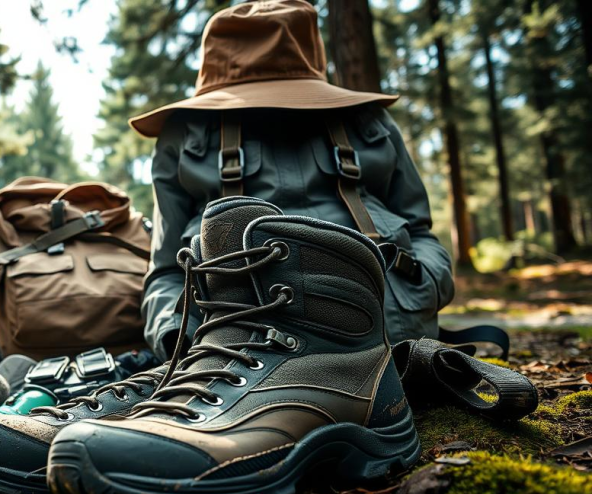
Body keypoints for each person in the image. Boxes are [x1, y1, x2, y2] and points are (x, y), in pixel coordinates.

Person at [133, 0, 455, 362]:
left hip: (391, 349)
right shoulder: (184, 135)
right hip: (233, 360)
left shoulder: (369, 122)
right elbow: (164, 270)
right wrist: (177, 339)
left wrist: (422, 287)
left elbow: (421, 233)